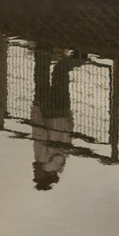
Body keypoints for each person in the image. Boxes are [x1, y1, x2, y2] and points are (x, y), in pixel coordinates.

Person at [30, 43, 84, 191]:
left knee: (56, 73)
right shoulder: (52, 163)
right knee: (54, 74)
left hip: (57, 113)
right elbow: (39, 132)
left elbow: (38, 132)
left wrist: (36, 109)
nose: (35, 173)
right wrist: (36, 108)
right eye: (38, 177)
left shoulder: (43, 160)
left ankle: (78, 55)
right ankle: (78, 55)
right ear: (46, 176)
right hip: (53, 113)